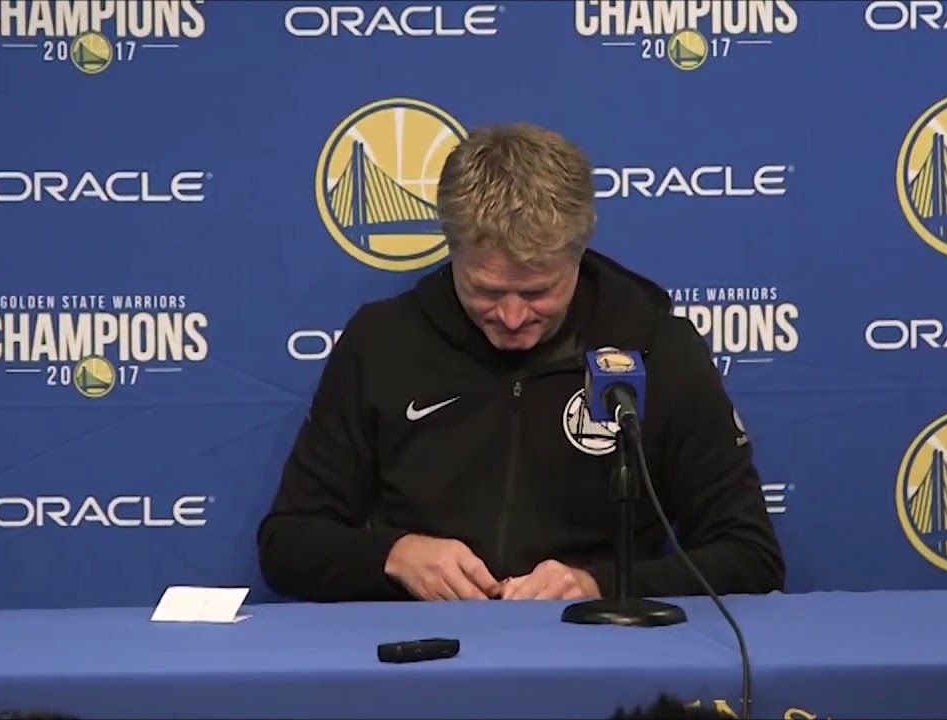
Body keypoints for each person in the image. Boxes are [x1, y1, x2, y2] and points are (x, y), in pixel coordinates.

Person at [257, 123, 784, 603]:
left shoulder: (659, 348)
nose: (511, 316)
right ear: (449, 247)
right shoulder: (380, 343)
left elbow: (750, 557)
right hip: (418, 656)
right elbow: (288, 544)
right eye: (485, 290)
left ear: (580, 252)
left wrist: (598, 584)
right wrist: (393, 555)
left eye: (537, 292)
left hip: (603, 655)